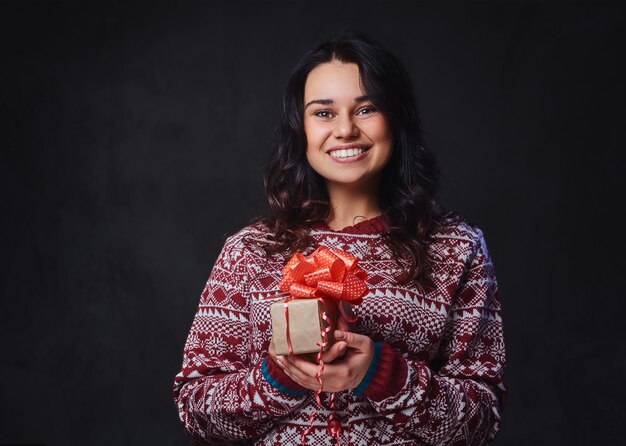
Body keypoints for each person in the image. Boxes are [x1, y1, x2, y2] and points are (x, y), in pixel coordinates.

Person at [172, 30, 506, 445]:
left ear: (396, 118)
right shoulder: (250, 250)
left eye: (366, 109)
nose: (345, 129)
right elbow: (196, 409)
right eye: (324, 113)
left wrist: (384, 375)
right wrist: (278, 378)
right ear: (301, 128)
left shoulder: (457, 248)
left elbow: (481, 420)